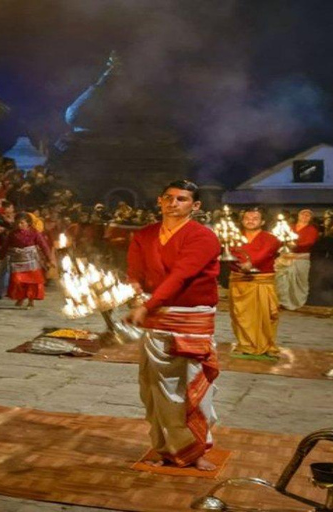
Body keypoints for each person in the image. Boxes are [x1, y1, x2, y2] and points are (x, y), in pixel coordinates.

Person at [125, 180, 221, 471]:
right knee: (154, 389)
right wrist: (135, 293)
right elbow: (134, 273)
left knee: (192, 389)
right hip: (156, 318)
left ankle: (195, 450)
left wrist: (146, 306)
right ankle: (165, 447)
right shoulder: (144, 235)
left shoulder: (203, 237)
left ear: (196, 205)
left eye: (181, 199)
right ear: (159, 200)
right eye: (168, 197)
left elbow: (180, 276)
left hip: (189, 319)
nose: (173, 203)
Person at [229, 207, 282, 357]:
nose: (250, 221)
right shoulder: (234, 236)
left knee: (266, 314)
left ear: (262, 221)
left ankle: (266, 345)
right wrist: (239, 265)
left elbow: (264, 254)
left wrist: (250, 264)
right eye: (247, 218)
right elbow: (230, 253)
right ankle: (245, 344)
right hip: (239, 279)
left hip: (261, 280)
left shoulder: (271, 239)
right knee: (241, 314)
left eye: (255, 218)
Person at [0, 212, 54, 309]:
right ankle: (20, 297)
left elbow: (44, 245)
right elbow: (5, 245)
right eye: (17, 223)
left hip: (31, 260)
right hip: (17, 260)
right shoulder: (12, 234)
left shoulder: (34, 233)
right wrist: (1, 257)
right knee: (17, 280)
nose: (19, 225)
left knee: (32, 282)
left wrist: (49, 258)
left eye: (22, 223)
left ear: (28, 223)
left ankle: (31, 300)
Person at [275, 209, 319, 310]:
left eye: (308, 215)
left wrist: (296, 246)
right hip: (285, 257)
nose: (305, 216)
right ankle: (281, 301)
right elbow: (280, 238)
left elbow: (310, 242)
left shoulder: (312, 229)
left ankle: (295, 302)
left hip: (300, 258)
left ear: (310, 218)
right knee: (282, 280)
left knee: (298, 281)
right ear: (298, 216)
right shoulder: (290, 227)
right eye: (303, 214)